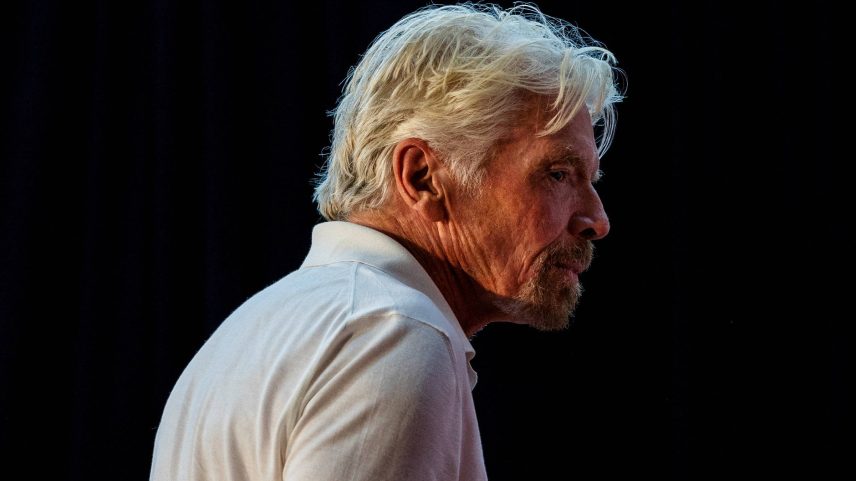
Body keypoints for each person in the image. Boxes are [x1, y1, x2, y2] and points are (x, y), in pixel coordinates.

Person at [149, 3, 623, 480]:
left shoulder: (250, 330)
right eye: (557, 174)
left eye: (590, 180)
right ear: (422, 178)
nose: (596, 219)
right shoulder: (394, 336)